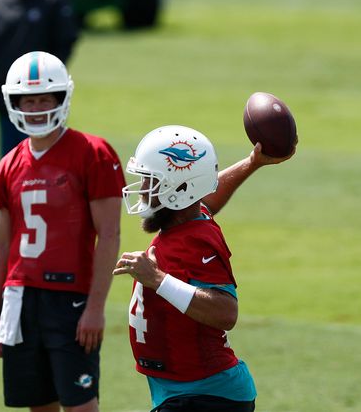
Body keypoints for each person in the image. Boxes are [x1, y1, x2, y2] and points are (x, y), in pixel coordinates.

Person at [113, 125, 296, 412]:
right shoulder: (188, 217)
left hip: (206, 396)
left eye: (151, 181)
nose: (143, 190)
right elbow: (206, 196)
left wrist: (157, 279)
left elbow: (226, 312)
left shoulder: (195, 240)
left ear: (178, 190)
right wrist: (252, 163)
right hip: (184, 391)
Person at [0, 51, 124, 411]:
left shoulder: (93, 152)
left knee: (80, 405)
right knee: (38, 403)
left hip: (69, 297)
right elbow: (1, 243)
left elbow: (109, 234)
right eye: (28, 101)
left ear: (62, 98)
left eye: (45, 99)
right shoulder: (9, 162)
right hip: (20, 297)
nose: (36, 108)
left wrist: (95, 307)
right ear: (14, 103)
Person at [0, 0, 79, 158]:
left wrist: (50, 85)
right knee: (12, 161)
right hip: (10, 100)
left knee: (50, 158)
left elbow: (66, 41)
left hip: (44, 100)